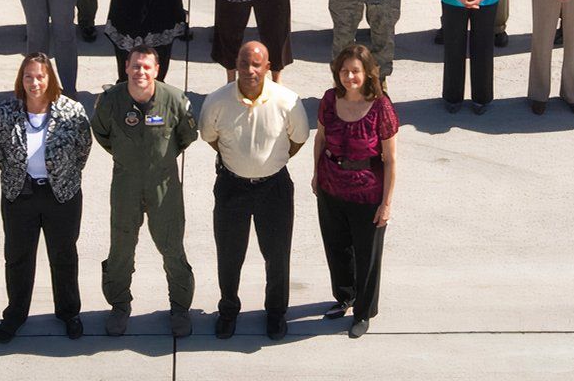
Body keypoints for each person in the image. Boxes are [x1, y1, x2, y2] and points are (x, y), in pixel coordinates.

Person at [199, 38, 313, 338]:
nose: (249, 70)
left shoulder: (288, 101)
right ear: (235, 66)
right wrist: (241, 161)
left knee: (277, 256)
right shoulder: (216, 101)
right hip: (231, 187)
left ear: (268, 68)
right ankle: (228, 309)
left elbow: (298, 139)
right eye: (243, 63)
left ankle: (276, 313)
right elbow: (210, 137)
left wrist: (267, 163)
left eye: (256, 64)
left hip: (273, 189)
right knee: (229, 254)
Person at [0, 52, 93, 341]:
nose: (34, 82)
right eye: (28, 76)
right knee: (18, 257)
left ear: (50, 79)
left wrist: (62, 174)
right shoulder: (5, 113)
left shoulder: (72, 111)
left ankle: (69, 312)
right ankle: (16, 314)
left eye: (40, 76)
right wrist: (18, 175)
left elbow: (83, 148)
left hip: (62, 195)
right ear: (21, 80)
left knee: (64, 255)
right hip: (21, 195)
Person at [92, 46, 197, 336]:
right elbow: (101, 133)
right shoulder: (111, 101)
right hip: (125, 183)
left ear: (157, 70)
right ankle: (119, 306)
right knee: (121, 247)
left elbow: (186, 136)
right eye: (136, 66)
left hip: (164, 185)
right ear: (126, 67)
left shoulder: (174, 100)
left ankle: (180, 308)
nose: (141, 72)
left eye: (146, 67)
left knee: (172, 247)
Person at [314, 45, 399, 332]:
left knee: (367, 254)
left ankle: (363, 312)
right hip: (331, 186)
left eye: (355, 71)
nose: (349, 76)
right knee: (336, 247)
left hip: (367, 192)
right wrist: (316, 175)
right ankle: (344, 296)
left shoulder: (380, 106)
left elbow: (390, 160)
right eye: (344, 71)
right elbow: (321, 140)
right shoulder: (329, 99)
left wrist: (386, 204)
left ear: (367, 73)